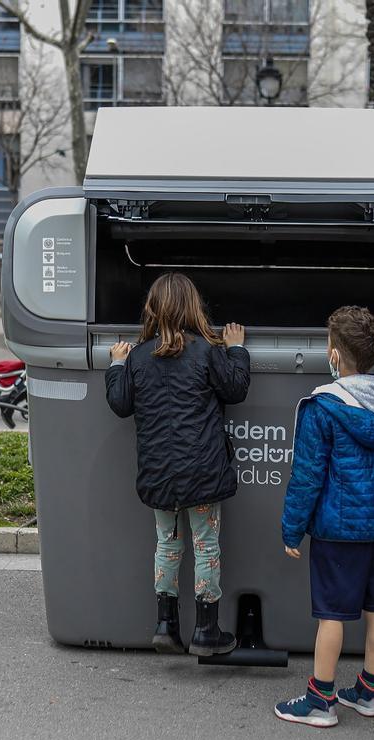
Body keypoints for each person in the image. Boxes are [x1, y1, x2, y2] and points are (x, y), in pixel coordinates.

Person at [274, 306, 374, 728]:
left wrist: (292, 528)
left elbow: (307, 476)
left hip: (337, 531)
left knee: (332, 615)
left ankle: (321, 699)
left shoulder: (324, 408)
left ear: (334, 355)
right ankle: (371, 691)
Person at [104, 272, 251, 657]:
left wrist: (117, 364)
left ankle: (166, 626)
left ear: (152, 310)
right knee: (206, 546)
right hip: (202, 473)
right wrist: (236, 349)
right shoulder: (205, 351)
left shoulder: (138, 356)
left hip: (159, 475)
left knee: (167, 546)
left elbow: (120, 404)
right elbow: (235, 388)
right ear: (192, 308)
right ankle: (206, 631)